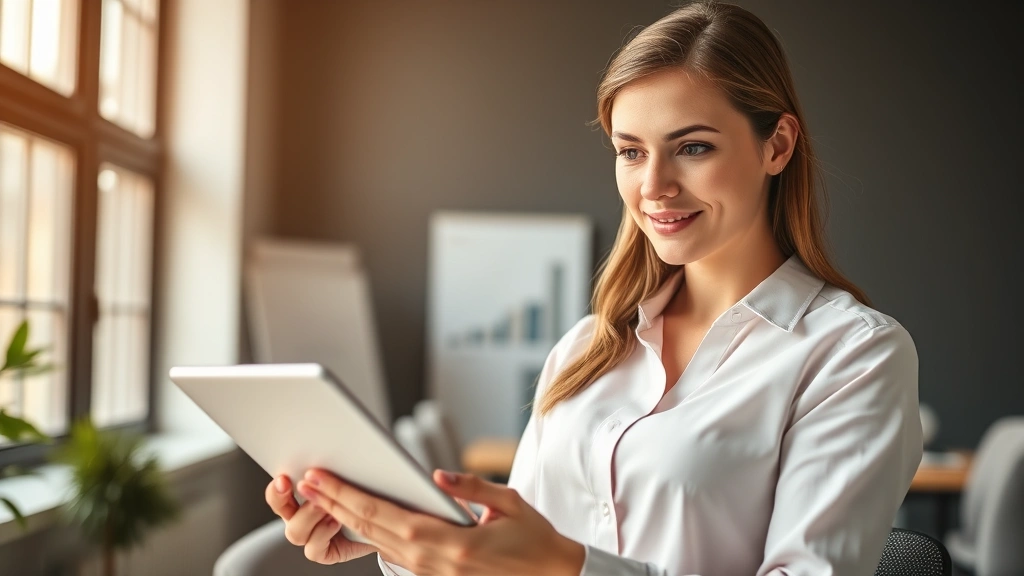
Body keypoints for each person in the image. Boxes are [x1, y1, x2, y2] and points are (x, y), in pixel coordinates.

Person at [265, 2, 923, 574]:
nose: (654, 185)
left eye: (692, 148)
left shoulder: (852, 356)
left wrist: (565, 568)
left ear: (776, 146)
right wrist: (411, 545)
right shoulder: (587, 347)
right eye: (630, 151)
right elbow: (509, 560)